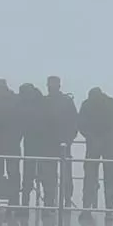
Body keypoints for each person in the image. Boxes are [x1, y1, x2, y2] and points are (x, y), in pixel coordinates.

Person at [78, 87, 113, 219]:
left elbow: (81, 125)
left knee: (92, 178)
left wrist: (93, 138)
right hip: (105, 146)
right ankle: (106, 210)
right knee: (106, 178)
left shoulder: (87, 104)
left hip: (96, 145)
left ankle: (88, 209)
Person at [40, 76, 79, 209]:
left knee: (50, 177)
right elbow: (75, 123)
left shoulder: (44, 102)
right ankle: (65, 202)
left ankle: (50, 203)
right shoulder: (67, 102)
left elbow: (38, 124)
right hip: (62, 144)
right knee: (64, 176)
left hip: (49, 145)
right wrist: (69, 140)